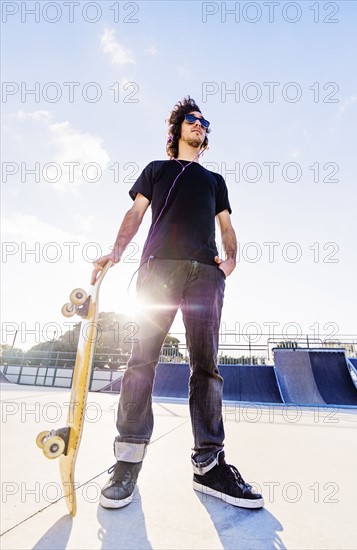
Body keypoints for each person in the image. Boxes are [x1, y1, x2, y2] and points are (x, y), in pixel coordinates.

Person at [91, 96, 264, 510]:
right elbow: (135, 214)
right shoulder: (157, 171)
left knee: (206, 366)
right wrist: (116, 252)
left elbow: (226, 225)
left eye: (205, 122)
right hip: (157, 270)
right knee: (141, 360)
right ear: (177, 130)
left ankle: (209, 464)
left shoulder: (215, 180)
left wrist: (231, 261)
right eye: (192, 119)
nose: (200, 125)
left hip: (205, 274)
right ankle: (128, 459)